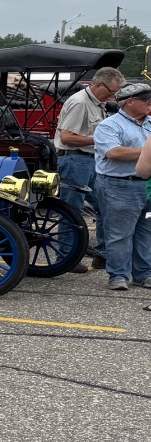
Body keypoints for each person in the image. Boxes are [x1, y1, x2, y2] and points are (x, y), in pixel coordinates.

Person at [55, 65, 124, 269]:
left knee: (105, 206)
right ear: (98, 85)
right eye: (111, 91)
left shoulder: (97, 103)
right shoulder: (80, 102)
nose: (113, 96)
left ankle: (102, 255)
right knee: (72, 210)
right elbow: (67, 138)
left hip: (90, 161)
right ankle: (65, 258)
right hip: (75, 160)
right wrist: (100, 139)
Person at [93, 80, 151, 290]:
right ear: (130, 102)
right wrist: (147, 153)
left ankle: (144, 273)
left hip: (146, 185)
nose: (150, 104)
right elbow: (113, 152)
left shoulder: (149, 122)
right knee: (120, 234)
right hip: (119, 185)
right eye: (146, 100)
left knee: (146, 230)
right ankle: (118, 275)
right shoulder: (109, 125)